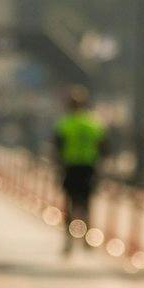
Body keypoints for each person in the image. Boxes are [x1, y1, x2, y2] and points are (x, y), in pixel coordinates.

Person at [53, 87, 106, 254]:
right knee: (86, 204)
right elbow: (103, 147)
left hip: (70, 167)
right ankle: (86, 238)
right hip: (88, 167)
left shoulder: (64, 123)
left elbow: (57, 147)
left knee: (69, 203)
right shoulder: (94, 123)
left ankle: (68, 240)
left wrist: (57, 166)